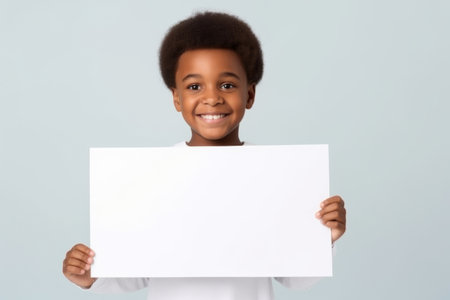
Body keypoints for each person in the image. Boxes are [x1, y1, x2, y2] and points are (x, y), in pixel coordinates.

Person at [62, 11, 347, 300]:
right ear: (177, 98)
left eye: (227, 85)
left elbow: (294, 278)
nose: (212, 98)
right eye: (194, 86)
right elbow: (137, 271)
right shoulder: (154, 176)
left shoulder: (273, 175)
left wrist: (323, 239)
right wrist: (91, 276)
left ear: (249, 95)